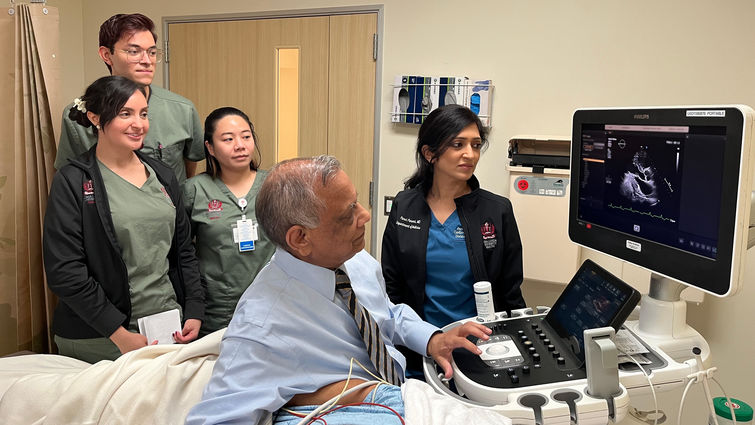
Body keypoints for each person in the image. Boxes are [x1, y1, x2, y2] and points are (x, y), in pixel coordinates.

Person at [185, 155, 492, 425]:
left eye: (357, 201)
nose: (366, 216)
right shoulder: (261, 326)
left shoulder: (354, 260)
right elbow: (213, 418)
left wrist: (432, 339)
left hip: (403, 393)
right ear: (300, 238)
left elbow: (387, 314)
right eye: (348, 214)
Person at [43, 76, 205, 364]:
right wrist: (118, 333)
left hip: (165, 324)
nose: (138, 124)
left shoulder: (163, 176)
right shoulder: (74, 180)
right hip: (100, 335)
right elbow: (65, 270)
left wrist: (193, 309)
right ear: (95, 117)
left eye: (143, 114)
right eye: (125, 113)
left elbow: (184, 251)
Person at [381, 104, 526, 378]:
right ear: (430, 153)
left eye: (476, 145)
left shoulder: (497, 211)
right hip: (418, 346)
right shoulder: (405, 206)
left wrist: (518, 347)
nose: (469, 154)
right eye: (458, 144)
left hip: (478, 346)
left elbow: (510, 293)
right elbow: (392, 286)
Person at [54, 13, 204, 184]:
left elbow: (189, 169)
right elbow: (70, 177)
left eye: (152, 52)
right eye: (134, 51)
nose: (147, 61)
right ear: (106, 55)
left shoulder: (182, 109)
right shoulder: (79, 114)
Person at [183, 107, 274, 335]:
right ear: (210, 148)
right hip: (216, 311)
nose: (240, 145)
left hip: (272, 305)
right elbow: (181, 253)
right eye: (228, 139)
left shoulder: (274, 185)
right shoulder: (195, 191)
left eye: (246, 136)